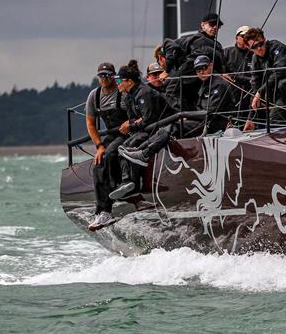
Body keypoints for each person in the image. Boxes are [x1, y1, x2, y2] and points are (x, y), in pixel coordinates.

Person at [119, 55, 237, 167]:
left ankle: (144, 155)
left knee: (172, 127)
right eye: (198, 70)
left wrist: (186, 116)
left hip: (214, 124)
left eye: (204, 67)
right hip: (203, 121)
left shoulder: (218, 84)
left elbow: (210, 112)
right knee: (163, 130)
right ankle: (140, 151)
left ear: (211, 66)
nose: (201, 71)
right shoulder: (205, 84)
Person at [109, 63, 170, 200]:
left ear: (129, 81)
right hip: (145, 128)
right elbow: (135, 119)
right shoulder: (129, 95)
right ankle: (125, 181)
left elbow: (148, 119)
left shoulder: (144, 92)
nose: (116, 83)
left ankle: (133, 184)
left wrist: (130, 125)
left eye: (119, 80)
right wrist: (131, 124)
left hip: (158, 128)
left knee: (133, 143)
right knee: (122, 147)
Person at [84, 62, 129, 231]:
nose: (104, 79)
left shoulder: (122, 92)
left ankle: (108, 208)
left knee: (110, 155)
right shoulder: (94, 96)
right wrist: (98, 145)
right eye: (101, 76)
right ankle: (100, 210)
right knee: (98, 163)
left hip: (126, 133)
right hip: (111, 135)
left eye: (108, 75)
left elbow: (135, 114)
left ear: (114, 76)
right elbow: (90, 123)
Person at [163, 13, 225, 112]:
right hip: (191, 78)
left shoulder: (218, 46)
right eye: (212, 24)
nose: (215, 27)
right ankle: (187, 117)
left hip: (199, 82)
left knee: (171, 91)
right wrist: (168, 68)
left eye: (218, 26)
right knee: (172, 91)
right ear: (203, 25)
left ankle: (187, 116)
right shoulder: (194, 38)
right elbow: (168, 43)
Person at [223, 26, 254, 125]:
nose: (246, 39)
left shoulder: (255, 54)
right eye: (243, 36)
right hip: (232, 94)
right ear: (236, 38)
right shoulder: (226, 52)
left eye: (248, 37)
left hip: (250, 94)